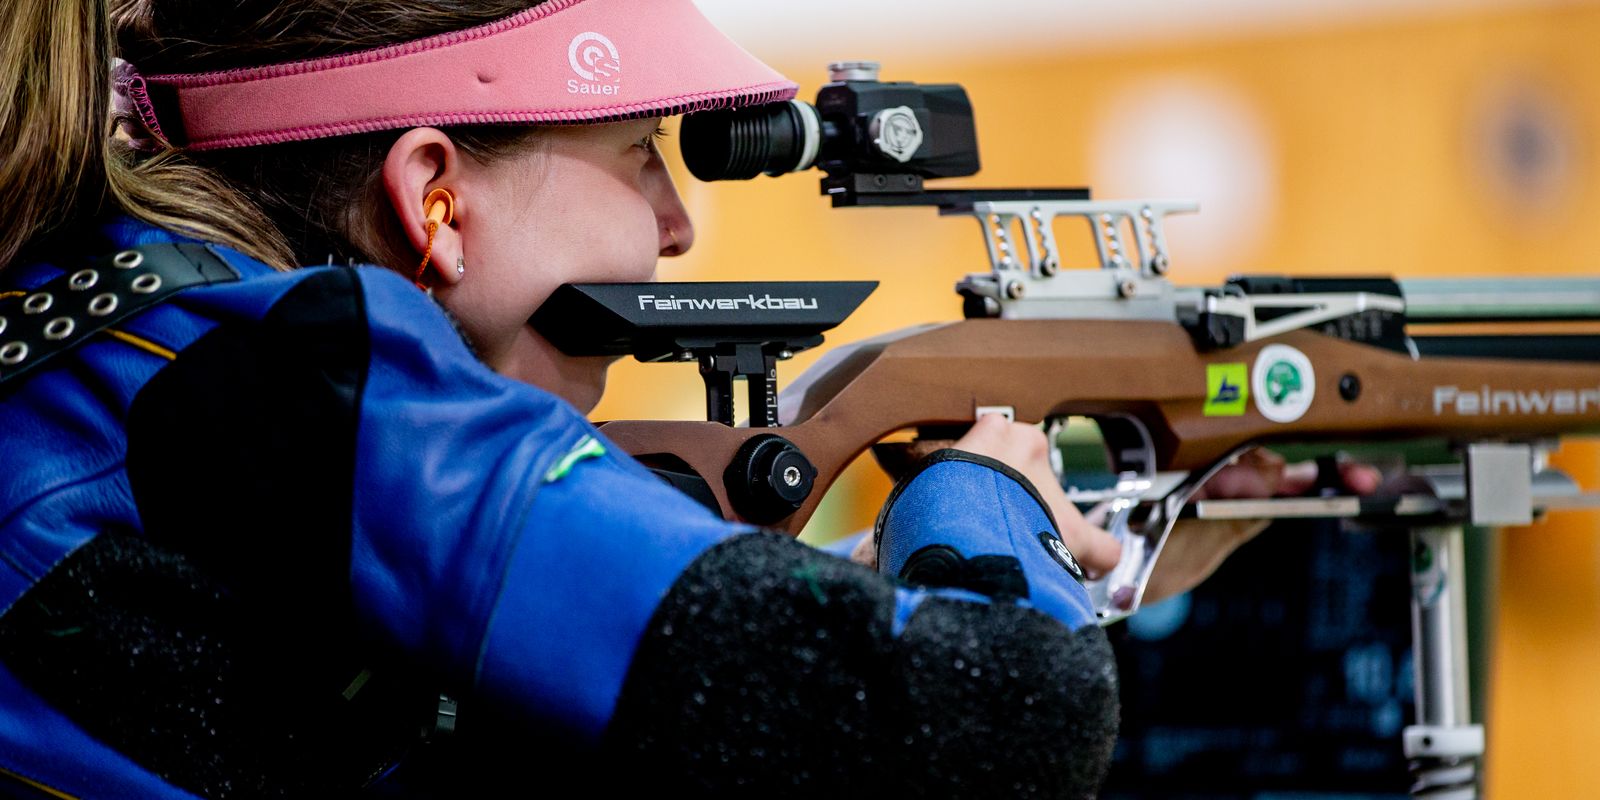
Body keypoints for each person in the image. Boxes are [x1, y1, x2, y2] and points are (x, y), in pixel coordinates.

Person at [0, 0, 1378, 797]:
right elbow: (1003, 719)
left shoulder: (118, 342)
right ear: (435, 196)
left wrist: (1116, 555)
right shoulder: (313, 390)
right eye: (643, 153)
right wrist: (976, 499)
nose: (679, 226)